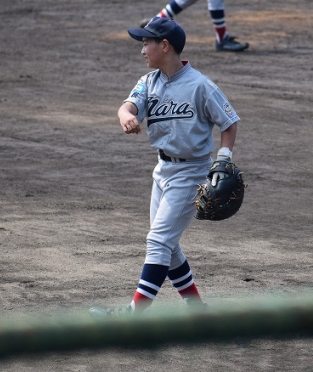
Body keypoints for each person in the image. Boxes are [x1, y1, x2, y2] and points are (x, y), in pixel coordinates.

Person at [89, 17, 240, 317]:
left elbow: (229, 121)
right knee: (167, 246)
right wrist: (125, 116)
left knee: (158, 241)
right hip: (162, 172)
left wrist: (224, 157)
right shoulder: (149, 82)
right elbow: (128, 106)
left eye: (146, 43)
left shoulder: (200, 85)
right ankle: (197, 312)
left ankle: (133, 316)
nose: (142, 50)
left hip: (192, 173)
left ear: (165, 45)